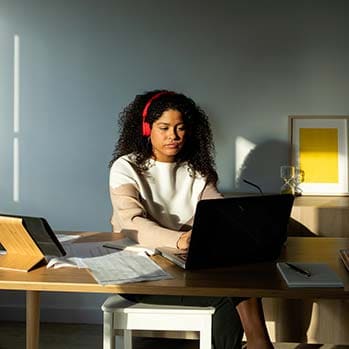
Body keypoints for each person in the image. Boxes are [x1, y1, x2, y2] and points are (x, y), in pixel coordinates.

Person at [109, 89, 273, 349]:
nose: (173, 136)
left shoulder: (197, 170)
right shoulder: (125, 167)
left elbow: (217, 210)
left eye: (180, 128)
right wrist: (182, 240)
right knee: (228, 297)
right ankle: (259, 343)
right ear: (146, 128)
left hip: (184, 266)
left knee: (242, 278)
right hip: (139, 271)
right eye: (164, 128)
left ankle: (257, 343)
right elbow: (132, 223)